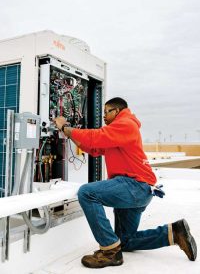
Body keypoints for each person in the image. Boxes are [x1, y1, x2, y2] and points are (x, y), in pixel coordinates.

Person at [54, 97, 197, 269]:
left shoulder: (126, 123)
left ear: (117, 111)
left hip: (134, 186)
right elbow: (93, 148)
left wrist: (64, 126)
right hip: (137, 190)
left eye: (107, 112)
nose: (104, 117)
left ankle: (110, 252)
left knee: (87, 192)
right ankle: (175, 232)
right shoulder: (116, 132)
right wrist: (68, 134)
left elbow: (96, 136)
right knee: (126, 241)